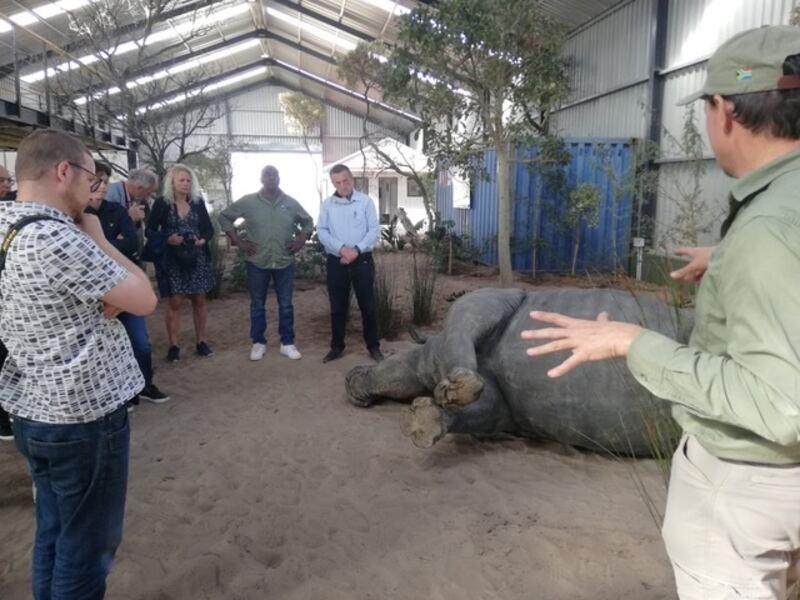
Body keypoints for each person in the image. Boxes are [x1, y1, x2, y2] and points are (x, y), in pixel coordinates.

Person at [521, 26, 800, 600]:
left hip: (750, 482)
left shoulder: (770, 227)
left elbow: (780, 402)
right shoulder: (783, 208)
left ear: (725, 112)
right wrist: (728, 258)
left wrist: (633, 343)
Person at [0, 129, 157, 598]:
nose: (94, 190)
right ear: (63, 171)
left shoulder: (8, 226)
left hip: (34, 409)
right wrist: (98, 237)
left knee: (53, 531)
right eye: (90, 176)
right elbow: (144, 298)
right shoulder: (57, 237)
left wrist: (104, 296)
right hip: (82, 417)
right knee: (87, 550)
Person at [87, 162, 170, 406]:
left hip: (124, 285)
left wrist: (102, 242)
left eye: (104, 182)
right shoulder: (75, 215)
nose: (102, 187)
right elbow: (90, 250)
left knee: (141, 343)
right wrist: (114, 242)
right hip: (97, 294)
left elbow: (131, 244)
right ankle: (122, 394)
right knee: (107, 348)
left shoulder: (115, 209)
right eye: (96, 182)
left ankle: (144, 385)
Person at [218, 165, 313, 361]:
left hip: (283, 261)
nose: (271, 178)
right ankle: (258, 343)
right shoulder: (249, 202)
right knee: (257, 304)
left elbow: (308, 221)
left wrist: (301, 240)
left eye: (275, 174)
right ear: (261, 179)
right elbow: (224, 217)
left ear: (279, 178)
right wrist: (238, 242)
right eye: (267, 175)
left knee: (286, 305)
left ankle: (287, 343)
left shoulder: (290, 203)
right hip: (257, 261)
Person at [146, 163, 215, 361]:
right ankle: (173, 345)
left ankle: (201, 341)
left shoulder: (197, 202)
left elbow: (208, 229)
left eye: (188, 180)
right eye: (181, 180)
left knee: (200, 300)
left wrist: (203, 240)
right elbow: (149, 230)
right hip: (173, 258)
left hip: (197, 257)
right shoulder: (162, 203)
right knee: (175, 301)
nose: (185, 184)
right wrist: (168, 239)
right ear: (172, 182)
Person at [317, 164, 384, 363]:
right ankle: (337, 347)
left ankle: (373, 346)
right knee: (338, 307)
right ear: (333, 183)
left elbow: (373, 231)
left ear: (351, 179)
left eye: (345, 180)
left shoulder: (365, 202)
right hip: (336, 261)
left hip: (361, 260)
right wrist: (341, 249)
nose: (343, 185)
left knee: (368, 306)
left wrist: (356, 250)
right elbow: (322, 231)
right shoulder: (327, 205)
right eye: (337, 182)